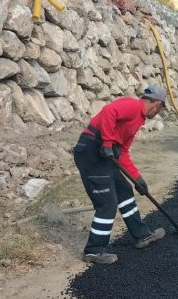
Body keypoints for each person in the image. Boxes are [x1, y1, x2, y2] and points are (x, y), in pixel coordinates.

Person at [72, 85, 168, 264]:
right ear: (157, 103)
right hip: (92, 151)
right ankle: (94, 250)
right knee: (107, 203)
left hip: (105, 154)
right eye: (161, 108)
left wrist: (138, 179)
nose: (159, 112)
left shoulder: (138, 119)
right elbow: (109, 111)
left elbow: (122, 152)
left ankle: (142, 235)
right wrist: (107, 143)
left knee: (125, 191)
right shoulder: (133, 106)